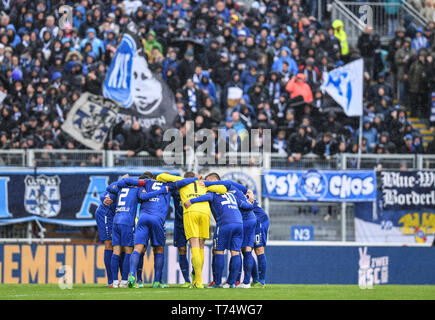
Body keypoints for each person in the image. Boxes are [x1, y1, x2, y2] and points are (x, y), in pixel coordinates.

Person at [156, 172, 227, 288]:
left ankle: (198, 282)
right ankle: (198, 279)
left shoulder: (181, 181)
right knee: (201, 246)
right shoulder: (204, 184)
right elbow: (223, 189)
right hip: (205, 213)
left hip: (191, 211)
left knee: (194, 244)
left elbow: (160, 176)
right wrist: (206, 182)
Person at [127, 172, 197, 288]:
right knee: (159, 249)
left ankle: (132, 276)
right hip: (157, 218)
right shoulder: (169, 186)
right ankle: (157, 281)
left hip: (143, 217)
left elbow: (140, 195)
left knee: (137, 248)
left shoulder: (146, 183)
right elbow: (183, 181)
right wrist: (196, 178)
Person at [185, 173, 253, 288]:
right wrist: (251, 203)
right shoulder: (232, 194)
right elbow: (245, 206)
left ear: (213, 181)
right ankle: (231, 283)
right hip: (238, 224)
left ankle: (217, 283)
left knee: (218, 251)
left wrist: (192, 201)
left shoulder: (212, 192)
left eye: (207, 181)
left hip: (224, 224)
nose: (205, 184)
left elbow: (206, 197)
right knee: (235, 252)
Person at [106, 176, 148, 288]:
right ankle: (124, 281)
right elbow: (143, 196)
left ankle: (115, 282)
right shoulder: (137, 189)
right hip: (127, 222)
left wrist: (121, 180)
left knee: (116, 251)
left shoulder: (120, 188)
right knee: (128, 250)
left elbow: (109, 187)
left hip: (116, 220)